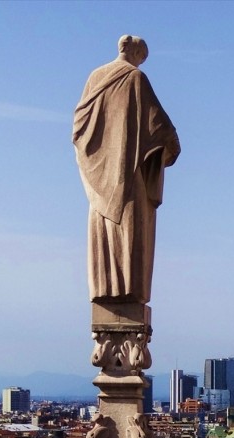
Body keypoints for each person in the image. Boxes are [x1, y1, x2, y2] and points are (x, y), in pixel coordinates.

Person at [73, 35, 180, 306]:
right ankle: (128, 297)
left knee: (106, 244)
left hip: (99, 188)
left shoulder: (94, 77)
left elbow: (78, 129)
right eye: (142, 59)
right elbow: (161, 128)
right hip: (127, 181)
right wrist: (172, 147)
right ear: (137, 53)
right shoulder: (135, 79)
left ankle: (106, 295)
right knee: (131, 241)